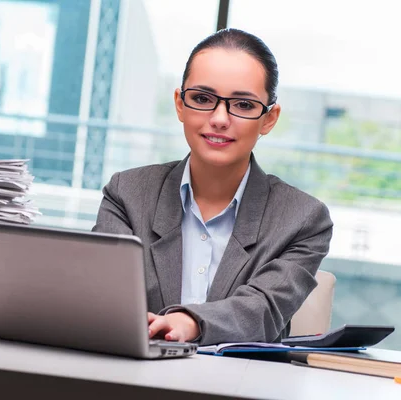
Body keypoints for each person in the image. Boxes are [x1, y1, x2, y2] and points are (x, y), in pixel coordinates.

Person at [92, 28, 333, 346]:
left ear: (269, 118)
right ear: (180, 104)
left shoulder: (302, 219)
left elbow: (262, 311)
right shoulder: (127, 194)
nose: (219, 119)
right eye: (202, 99)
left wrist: (191, 322)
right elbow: (103, 297)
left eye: (243, 105)